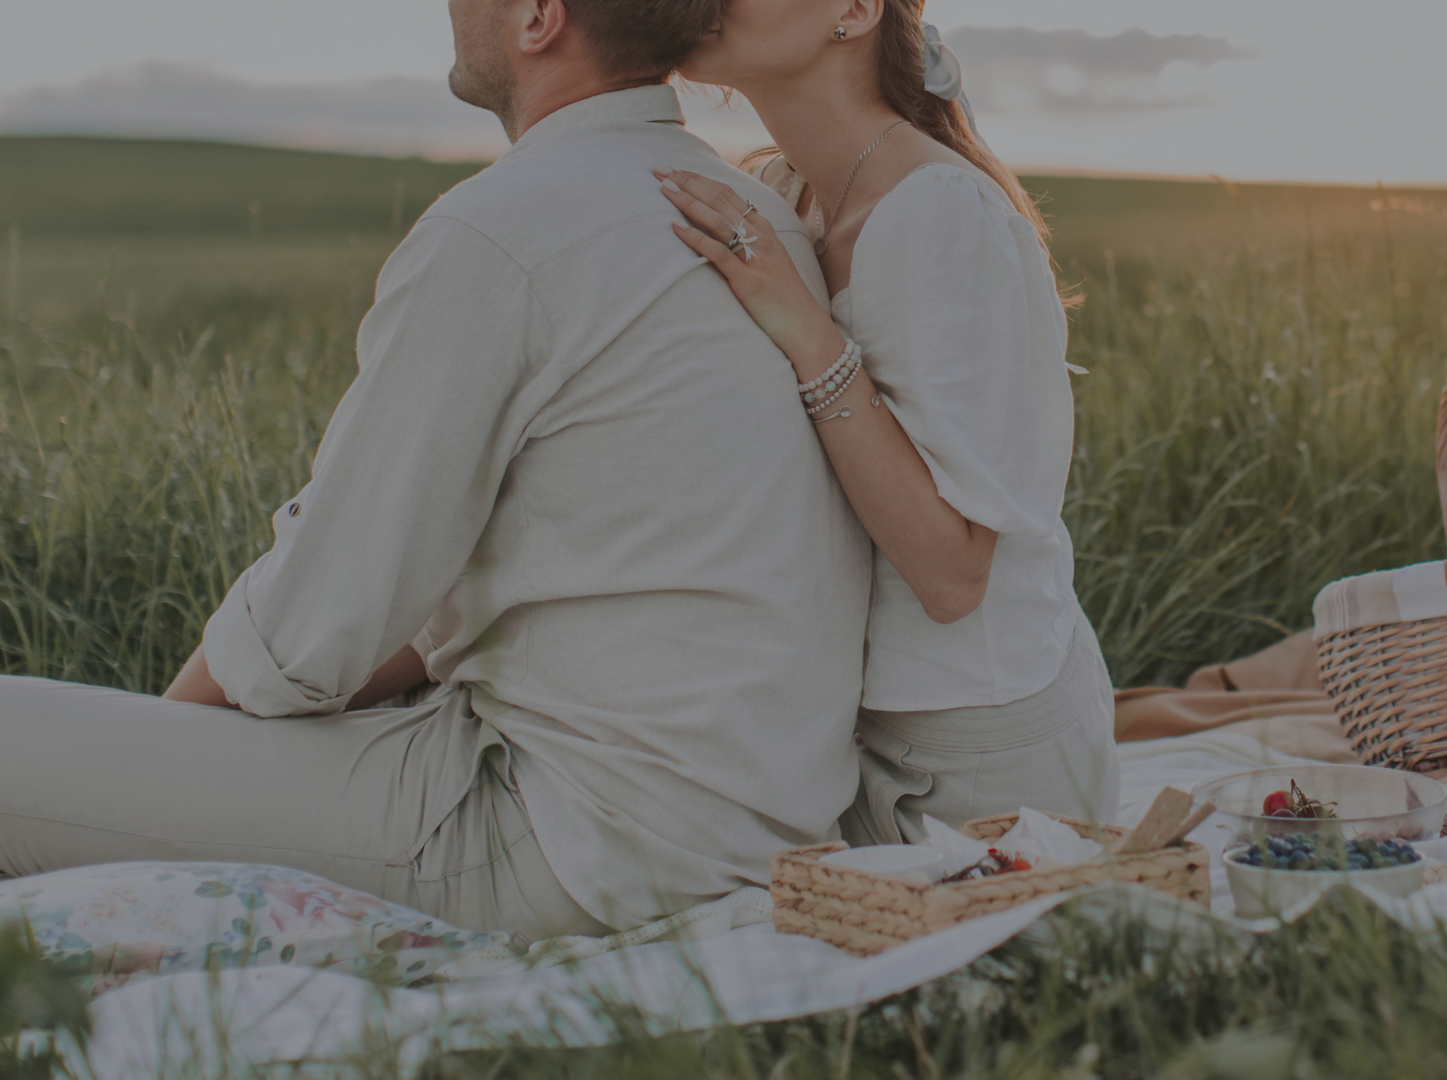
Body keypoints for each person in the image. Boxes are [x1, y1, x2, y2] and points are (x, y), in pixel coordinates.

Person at [0, 0, 873, 941]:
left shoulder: (505, 230)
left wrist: (162, 755)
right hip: (750, 830)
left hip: (573, 847)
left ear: (541, 16)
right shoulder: (756, 224)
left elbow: (310, 629)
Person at [660, 0, 1121, 844]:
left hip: (975, 753)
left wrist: (808, 332)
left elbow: (952, 576)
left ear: (854, 10)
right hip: (840, 728)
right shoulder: (785, 194)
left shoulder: (936, 211)